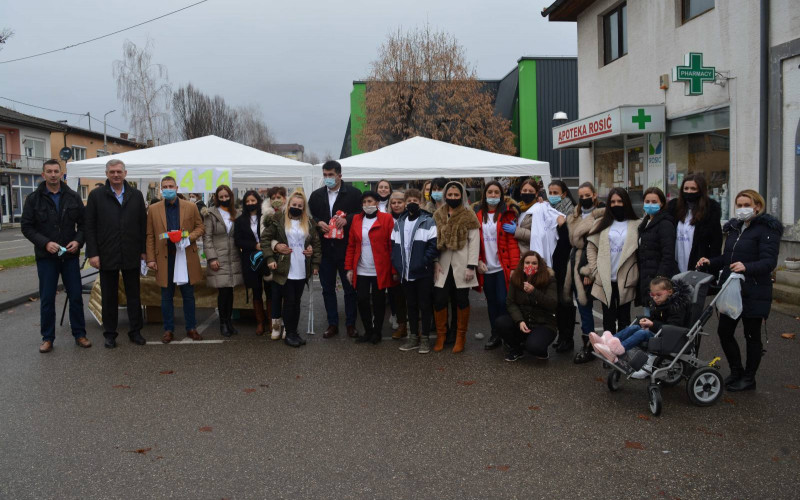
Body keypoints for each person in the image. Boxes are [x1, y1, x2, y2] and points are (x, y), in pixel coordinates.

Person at [697, 190, 782, 392]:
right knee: (724, 331)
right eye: (739, 205)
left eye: (746, 204)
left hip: (754, 290)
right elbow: (728, 259)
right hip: (732, 288)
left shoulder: (767, 230)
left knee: (752, 335)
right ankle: (736, 371)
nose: (742, 209)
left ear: (757, 207)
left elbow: (769, 262)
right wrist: (710, 262)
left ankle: (749, 378)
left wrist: (747, 267)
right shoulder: (735, 229)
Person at [21, 159, 90, 353]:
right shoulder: (34, 199)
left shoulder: (73, 197)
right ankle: (48, 338)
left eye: (56, 171)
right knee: (47, 298)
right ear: (43, 175)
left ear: (62, 174)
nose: (53, 174)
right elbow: (27, 227)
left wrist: (78, 241)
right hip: (46, 258)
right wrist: (45, 243)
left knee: (75, 296)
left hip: (69, 256)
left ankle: (80, 334)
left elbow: (84, 225)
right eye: (49, 171)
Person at [84, 159, 148, 349]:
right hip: (106, 254)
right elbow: (90, 227)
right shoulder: (96, 196)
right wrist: (93, 254)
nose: (116, 175)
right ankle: (110, 334)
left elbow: (142, 225)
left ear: (125, 173)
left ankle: (135, 331)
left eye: (119, 172)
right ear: (107, 174)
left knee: (134, 296)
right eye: (112, 172)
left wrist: (143, 250)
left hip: (131, 253)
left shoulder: (136, 195)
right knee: (109, 297)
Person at [146, 176, 205, 344]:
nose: (168, 188)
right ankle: (168, 330)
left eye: (171, 186)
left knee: (188, 295)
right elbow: (149, 235)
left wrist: (189, 238)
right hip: (164, 258)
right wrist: (150, 258)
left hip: (185, 256)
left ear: (177, 187)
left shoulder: (190, 207)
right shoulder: (153, 209)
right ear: (161, 189)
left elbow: (200, 227)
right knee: (166, 296)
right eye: (165, 186)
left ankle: (191, 328)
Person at [308, 160, 362, 338]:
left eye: (331, 175)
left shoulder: (354, 194)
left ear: (340, 175)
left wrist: (348, 220)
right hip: (325, 250)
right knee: (327, 289)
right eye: (325, 175)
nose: (327, 178)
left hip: (346, 249)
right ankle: (332, 323)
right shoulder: (316, 195)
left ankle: (350, 324)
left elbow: (362, 215)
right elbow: (310, 218)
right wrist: (317, 223)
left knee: (349, 289)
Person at [592, 277, 691, 372]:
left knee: (641, 333)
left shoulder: (676, 307)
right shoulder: (659, 303)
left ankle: (616, 350)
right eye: (652, 295)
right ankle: (606, 342)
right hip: (658, 332)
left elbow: (672, 327)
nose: (655, 298)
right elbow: (655, 320)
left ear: (670, 292)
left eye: (658, 295)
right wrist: (647, 321)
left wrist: (652, 324)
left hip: (668, 337)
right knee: (634, 327)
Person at [261, 190, 321, 348]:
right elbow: (265, 239)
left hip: (301, 267)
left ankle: (294, 332)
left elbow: (315, 244)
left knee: (297, 302)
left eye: (300, 205)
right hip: (285, 268)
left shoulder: (309, 222)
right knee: (289, 301)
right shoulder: (278, 219)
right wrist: (270, 258)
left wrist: (314, 262)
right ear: (288, 205)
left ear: (303, 207)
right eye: (294, 204)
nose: (296, 207)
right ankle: (290, 333)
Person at [433, 181, 480, 353]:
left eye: (456, 195)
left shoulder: (469, 215)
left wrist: (471, 266)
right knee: (439, 300)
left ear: (462, 196)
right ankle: (441, 335)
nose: (453, 198)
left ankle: (460, 336)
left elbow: (474, 242)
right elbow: (432, 240)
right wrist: (434, 262)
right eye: (450, 195)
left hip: (463, 263)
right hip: (442, 264)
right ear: (445, 195)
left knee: (461, 300)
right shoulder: (438, 214)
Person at [344, 191, 397, 344]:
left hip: (379, 268)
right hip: (361, 268)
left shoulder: (386, 219)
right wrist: (349, 268)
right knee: (361, 299)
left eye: (371, 201)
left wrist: (393, 270)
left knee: (379, 301)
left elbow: (391, 245)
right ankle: (368, 330)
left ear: (377, 203)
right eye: (365, 202)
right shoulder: (356, 219)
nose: (368, 204)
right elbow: (352, 245)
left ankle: (377, 332)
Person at [585, 188, 640, 333]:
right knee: (608, 319)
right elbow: (591, 248)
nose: (616, 204)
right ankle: (609, 350)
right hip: (605, 277)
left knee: (624, 318)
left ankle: (623, 349)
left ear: (626, 202)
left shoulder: (637, 224)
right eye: (613, 201)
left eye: (620, 201)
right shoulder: (600, 223)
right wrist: (595, 271)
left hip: (626, 278)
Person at [391, 189, 438, 353]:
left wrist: (422, 262)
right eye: (409, 200)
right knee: (410, 305)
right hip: (405, 273)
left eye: (415, 201)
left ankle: (424, 338)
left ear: (421, 203)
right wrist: (398, 264)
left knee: (424, 305)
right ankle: (413, 337)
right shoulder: (399, 223)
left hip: (422, 272)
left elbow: (433, 246)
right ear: (405, 203)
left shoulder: (428, 221)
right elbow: (394, 247)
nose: (412, 203)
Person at [476, 180, 520, 350]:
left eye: (496, 192)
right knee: (492, 302)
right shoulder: (478, 214)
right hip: (486, 268)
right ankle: (495, 333)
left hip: (503, 267)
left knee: (504, 301)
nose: (493, 195)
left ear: (501, 195)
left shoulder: (507, 214)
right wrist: (478, 260)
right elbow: (476, 242)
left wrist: (514, 267)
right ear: (485, 195)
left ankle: (506, 334)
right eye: (490, 192)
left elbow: (511, 244)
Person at [565, 182, 605, 363]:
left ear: (595, 195)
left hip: (589, 262)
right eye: (581, 196)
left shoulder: (602, 214)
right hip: (574, 261)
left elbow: (599, 244)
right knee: (582, 306)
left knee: (591, 306)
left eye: (587, 195)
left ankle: (596, 346)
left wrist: (589, 272)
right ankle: (588, 344)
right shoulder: (575, 214)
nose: (584, 198)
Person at [495, 251, 558, 361]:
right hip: (524, 321)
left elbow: (552, 303)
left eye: (534, 263)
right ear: (522, 264)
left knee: (534, 347)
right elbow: (510, 302)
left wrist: (534, 291)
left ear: (539, 265)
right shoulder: (516, 278)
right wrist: (519, 320)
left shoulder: (549, 279)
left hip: (543, 323)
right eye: (527, 262)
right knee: (501, 322)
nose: (530, 266)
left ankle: (539, 348)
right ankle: (517, 349)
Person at [204, 184, 244, 337]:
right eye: (221, 197)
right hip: (219, 257)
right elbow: (207, 238)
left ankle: (229, 322)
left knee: (231, 290)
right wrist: (212, 258)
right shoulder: (210, 214)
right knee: (223, 292)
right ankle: (223, 323)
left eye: (226, 196)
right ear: (217, 198)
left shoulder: (237, 213)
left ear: (231, 197)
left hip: (233, 256)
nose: (224, 199)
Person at [667, 173, 722, 273]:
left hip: (698, 265)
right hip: (675, 262)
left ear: (701, 190)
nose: (689, 191)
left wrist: (712, 267)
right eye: (686, 188)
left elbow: (716, 242)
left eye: (693, 188)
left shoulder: (710, 210)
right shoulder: (673, 208)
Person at [547, 180, 578, 354]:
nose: (552, 195)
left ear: (564, 194)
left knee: (566, 301)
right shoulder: (549, 211)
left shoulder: (571, 212)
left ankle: (568, 338)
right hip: (553, 262)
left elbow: (570, 239)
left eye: (555, 192)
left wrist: (563, 225)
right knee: (557, 302)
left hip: (566, 262)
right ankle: (561, 336)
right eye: (550, 192)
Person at [234, 190, 270, 336]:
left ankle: (272, 321)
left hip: (267, 258)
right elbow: (238, 240)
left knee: (270, 290)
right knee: (256, 291)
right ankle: (260, 322)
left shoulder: (266, 217)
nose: (250, 204)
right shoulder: (240, 220)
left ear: (258, 201)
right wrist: (254, 245)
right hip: (250, 259)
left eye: (253, 201)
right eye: (247, 201)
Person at [637, 187, 677, 314]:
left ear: (662, 203)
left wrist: (659, 279)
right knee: (648, 317)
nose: (650, 205)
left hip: (658, 281)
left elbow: (668, 254)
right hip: (647, 278)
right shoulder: (646, 223)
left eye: (654, 202)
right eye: (647, 201)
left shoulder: (665, 224)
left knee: (654, 320)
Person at [262, 186, 287, 339]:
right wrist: (275, 246)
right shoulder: (266, 215)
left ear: (285, 198)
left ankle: (287, 325)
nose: (276, 200)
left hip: (289, 258)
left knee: (289, 295)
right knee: (275, 294)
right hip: (273, 259)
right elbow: (263, 236)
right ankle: (276, 325)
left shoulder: (291, 212)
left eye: (279, 197)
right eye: (273, 198)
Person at [387, 191, 409, 339]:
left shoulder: (411, 217)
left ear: (405, 203)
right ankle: (402, 325)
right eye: (393, 203)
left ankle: (415, 326)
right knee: (398, 297)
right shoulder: (386, 219)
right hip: (394, 263)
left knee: (413, 298)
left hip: (411, 263)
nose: (396, 205)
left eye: (399, 202)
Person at [509, 177, 541, 254]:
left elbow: (539, 235)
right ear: (520, 192)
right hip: (514, 252)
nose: (527, 193)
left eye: (530, 191)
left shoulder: (539, 209)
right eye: (524, 190)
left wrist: (516, 231)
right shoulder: (515, 208)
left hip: (529, 254)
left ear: (536, 193)